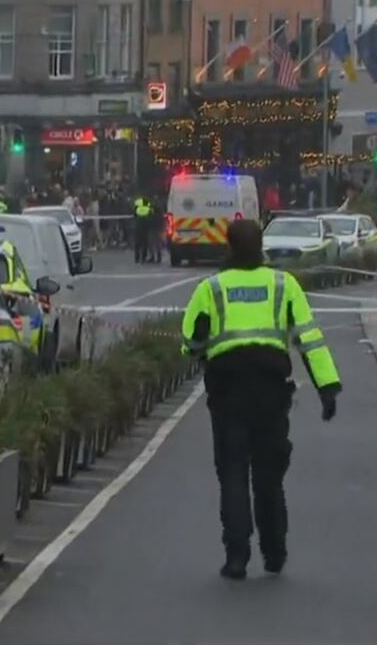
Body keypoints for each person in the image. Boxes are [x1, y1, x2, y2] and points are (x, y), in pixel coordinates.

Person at [180, 219, 341, 580]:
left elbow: (190, 342)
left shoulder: (212, 287)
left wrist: (201, 348)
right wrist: (327, 388)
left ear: (229, 247)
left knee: (233, 473)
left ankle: (237, 557)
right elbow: (309, 339)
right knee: (269, 476)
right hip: (271, 393)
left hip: (228, 393)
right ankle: (275, 551)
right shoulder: (285, 285)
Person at [133, 194, 152, 263]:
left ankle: (137, 258)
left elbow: (134, 213)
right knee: (144, 243)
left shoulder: (137, 202)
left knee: (137, 243)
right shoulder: (147, 202)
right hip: (145, 225)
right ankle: (143, 257)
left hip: (138, 224)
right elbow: (150, 212)